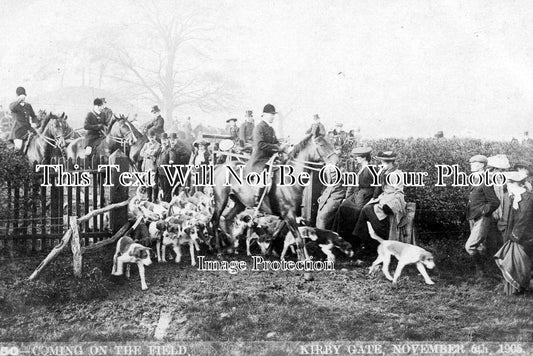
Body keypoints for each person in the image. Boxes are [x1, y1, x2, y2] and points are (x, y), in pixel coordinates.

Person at [353, 151, 406, 255]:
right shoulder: (385, 171)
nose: (382, 164)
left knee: (366, 210)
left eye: (384, 162)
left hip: (391, 202)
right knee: (365, 209)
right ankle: (363, 243)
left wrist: (389, 204)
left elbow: (399, 193)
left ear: (390, 162)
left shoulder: (396, 174)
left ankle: (368, 243)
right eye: (382, 162)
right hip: (383, 199)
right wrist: (374, 199)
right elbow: (380, 188)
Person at [494, 169, 533, 295]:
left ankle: (520, 287)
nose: (508, 186)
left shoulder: (528, 197)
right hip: (513, 233)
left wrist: (514, 236)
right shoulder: (514, 197)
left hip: (524, 236)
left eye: (510, 183)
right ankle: (512, 290)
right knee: (510, 259)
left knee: (521, 261)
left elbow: (525, 218)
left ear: (517, 184)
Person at [464, 154, 500, 277]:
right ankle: (482, 274)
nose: (471, 165)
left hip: (482, 218)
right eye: (471, 163)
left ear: (481, 166)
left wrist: (484, 211)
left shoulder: (485, 181)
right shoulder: (475, 179)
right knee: (479, 246)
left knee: (470, 246)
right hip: (473, 217)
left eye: (474, 164)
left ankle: (481, 269)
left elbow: (495, 202)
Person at [333, 147, 375, 248]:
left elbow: (377, 186)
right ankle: (339, 239)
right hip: (358, 194)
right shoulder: (361, 168)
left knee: (355, 211)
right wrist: (348, 197)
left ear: (364, 158)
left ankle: (355, 241)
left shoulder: (370, 169)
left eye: (358, 157)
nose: (356, 159)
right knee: (343, 207)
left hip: (366, 195)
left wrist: (374, 198)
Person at [249, 104, 287, 206]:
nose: (273, 116)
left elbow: (275, 142)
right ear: (264, 114)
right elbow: (260, 144)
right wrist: (277, 148)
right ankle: (257, 199)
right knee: (264, 176)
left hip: (271, 158)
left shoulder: (271, 129)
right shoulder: (259, 128)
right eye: (271, 114)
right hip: (260, 159)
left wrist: (283, 146)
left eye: (274, 114)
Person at [315, 155, 345, 230]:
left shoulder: (342, 168)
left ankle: (326, 238)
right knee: (319, 216)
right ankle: (320, 238)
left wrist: (347, 197)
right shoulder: (327, 167)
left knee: (323, 218)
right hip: (327, 195)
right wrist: (322, 195)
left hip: (337, 195)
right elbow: (326, 184)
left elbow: (349, 183)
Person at [9, 87, 38, 151]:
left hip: (29, 130)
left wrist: (34, 122)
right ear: (17, 96)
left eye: (24, 96)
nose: (23, 98)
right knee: (19, 147)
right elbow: (12, 108)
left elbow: (33, 116)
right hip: (18, 132)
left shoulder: (28, 105)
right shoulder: (14, 105)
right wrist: (18, 100)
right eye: (21, 96)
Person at [140, 129, 162, 202]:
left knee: (154, 183)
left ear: (155, 137)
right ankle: (149, 197)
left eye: (152, 137)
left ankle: (155, 199)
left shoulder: (158, 145)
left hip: (153, 166)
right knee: (147, 182)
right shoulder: (146, 145)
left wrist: (148, 154)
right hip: (146, 166)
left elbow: (155, 154)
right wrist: (148, 155)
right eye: (150, 137)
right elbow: (141, 153)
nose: (151, 139)